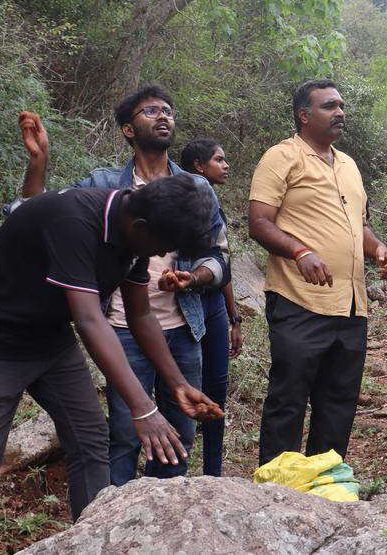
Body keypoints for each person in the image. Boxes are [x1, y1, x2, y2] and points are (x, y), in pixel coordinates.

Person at [0, 175, 223, 555]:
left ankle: (92, 545)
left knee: (90, 441)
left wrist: (175, 382)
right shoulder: (73, 219)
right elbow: (90, 319)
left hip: (48, 338)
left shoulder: (136, 227)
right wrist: (144, 408)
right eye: (164, 246)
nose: (162, 253)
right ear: (141, 227)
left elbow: (140, 313)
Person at [16, 84, 229, 485]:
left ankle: (165, 517)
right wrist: (39, 164)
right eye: (150, 111)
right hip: (120, 325)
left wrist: (193, 278)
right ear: (128, 130)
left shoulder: (196, 188)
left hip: (185, 327)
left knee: (181, 431)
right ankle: (117, 514)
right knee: (126, 435)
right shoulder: (103, 182)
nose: (163, 116)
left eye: (168, 110)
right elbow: (39, 218)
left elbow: (218, 256)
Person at [248, 78, 387, 465]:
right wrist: (299, 252)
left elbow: (358, 225)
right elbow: (259, 222)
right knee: (289, 397)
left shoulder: (348, 164)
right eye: (330, 106)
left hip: (351, 306)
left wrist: (378, 248)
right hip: (299, 300)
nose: (340, 112)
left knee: (339, 402)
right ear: (304, 115)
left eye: (341, 105)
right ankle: (277, 487)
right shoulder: (282, 157)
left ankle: (324, 487)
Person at [178, 138, 244, 477]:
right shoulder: (179, 197)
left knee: (216, 389)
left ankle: (213, 474)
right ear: (199, 166)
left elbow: (223, 264)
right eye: (219, 160)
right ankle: (181, 469)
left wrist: (234, 318)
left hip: (214, 303)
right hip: (185, 303)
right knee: (188, 388)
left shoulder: (212, 200)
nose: (226, 165)